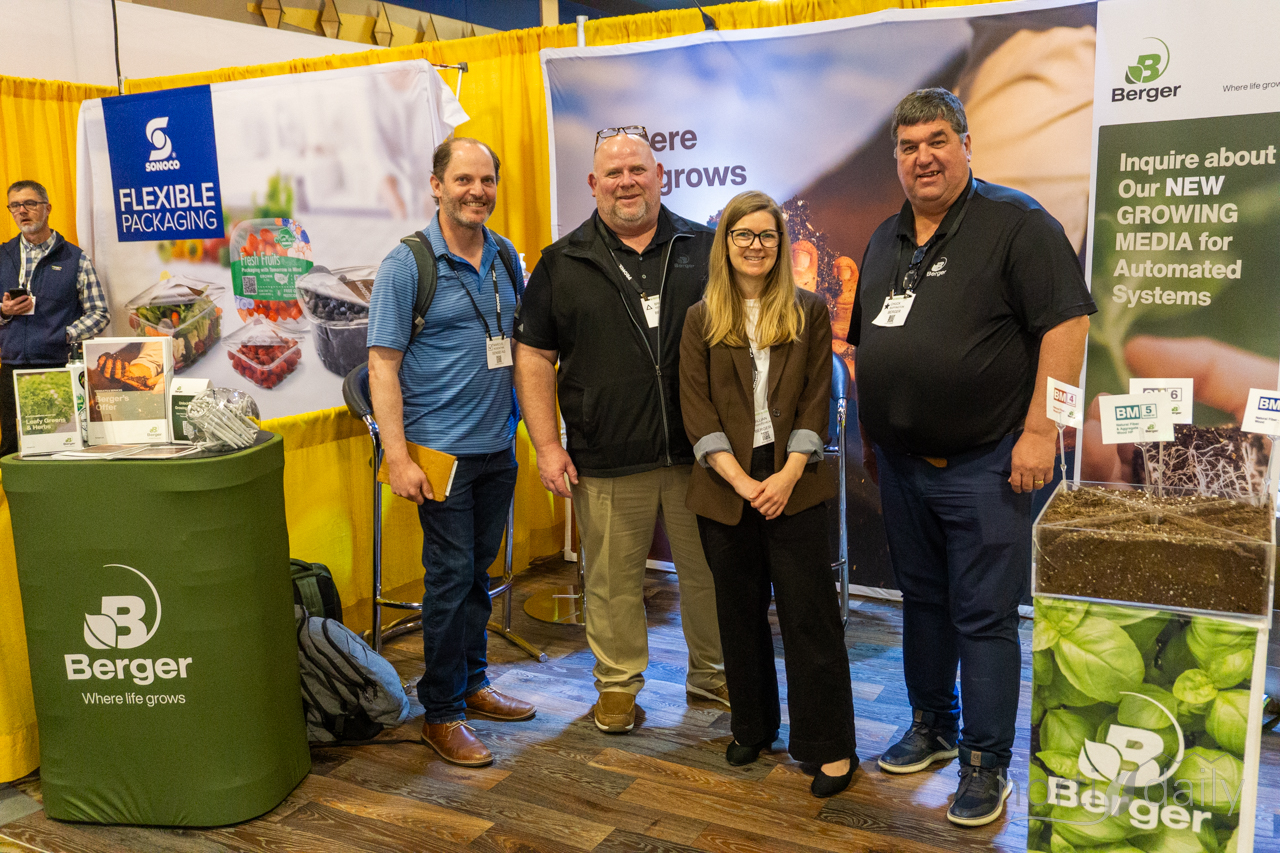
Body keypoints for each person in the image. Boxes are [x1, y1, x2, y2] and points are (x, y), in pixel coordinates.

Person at [847, 89, 1094, 826]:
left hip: (989, 465)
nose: (923, 157)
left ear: (965, 144)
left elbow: (1067, 327)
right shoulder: (886, 237)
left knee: (984, 616)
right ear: (895, 157)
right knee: (922, 603)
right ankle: (933, 725)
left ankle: (987, 762)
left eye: (937, 141)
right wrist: (876, 436)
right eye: (908, 146)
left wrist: (1042, 432)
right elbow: (869, 344)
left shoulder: (1017, 223)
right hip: (901, 467)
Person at [514, 126, 726, 733]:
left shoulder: (707, 248)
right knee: (610, 581)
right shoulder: (561, 262)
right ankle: (616, 685)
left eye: (637, 170)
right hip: (604, 454)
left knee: (711, 575)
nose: (626, 182)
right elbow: (534, 357)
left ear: (661, 176)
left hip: (701, 453)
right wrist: (547, 445)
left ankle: (714, 677)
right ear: (593, 183)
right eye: (613, 173)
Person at [680, 190, 858, 798]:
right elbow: (696, 410)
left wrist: (785, 476)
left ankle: (830, 746)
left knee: (811, 616)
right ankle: (752, 726)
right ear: (725, 243)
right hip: (725, 483)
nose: (755, 245)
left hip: (794, 480)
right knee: (738, 613)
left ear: (781, 244)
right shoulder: (701, 317)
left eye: (766, 235)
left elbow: (815, 398)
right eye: (743, 234)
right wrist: (741, 480)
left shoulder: (808, 310)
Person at [367, 137, 535, 768]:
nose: (477, 192)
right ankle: (441, 712)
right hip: (439, 453)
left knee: (477, 575)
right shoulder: (407, 264)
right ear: (436, 185)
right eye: (464, 179)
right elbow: (382, 365)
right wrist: (397, 456)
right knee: (450, 578)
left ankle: (473, 683)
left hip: (497, 446)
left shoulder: (505, 255)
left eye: (487, 180)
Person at [1, 180, 109, 456]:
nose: (22, 211)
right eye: (15, 206)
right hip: (11, 368)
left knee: (61, 448)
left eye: (30, 203)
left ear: (47, 208)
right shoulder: (2, 256)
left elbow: (99, 313)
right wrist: (4, 311)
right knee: (12, 449)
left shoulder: (75, 258)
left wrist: (65, 334)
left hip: (59, 367)